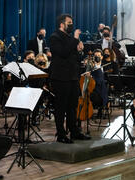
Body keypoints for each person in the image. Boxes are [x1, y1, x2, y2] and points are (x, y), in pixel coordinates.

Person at [49, 14, 90, 144]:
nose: (71, 25)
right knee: (61, 107)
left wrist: (79, 51)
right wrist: (75, 39)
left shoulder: (70, 38)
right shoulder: (54, 37)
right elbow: (63, 53)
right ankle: (61, 134)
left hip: (73, 77)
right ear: (62, 24)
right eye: (69, 22)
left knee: (72, 106)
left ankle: (74, 131)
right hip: (60, 77)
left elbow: (75, 59)